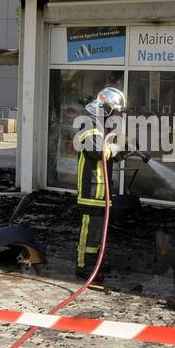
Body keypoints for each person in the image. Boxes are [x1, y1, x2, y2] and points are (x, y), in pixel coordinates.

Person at [74, 86, 127, 282]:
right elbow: (96, 152)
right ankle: (83, 266)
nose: (115, 115)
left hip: (101, 190)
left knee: (97, 231)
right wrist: (115, 148)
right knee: (89, 231)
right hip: (91, 189)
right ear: (105, 107)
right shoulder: (89, 124)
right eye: (113, 110)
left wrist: (120, 152)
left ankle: (95, 263)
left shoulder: (100, 125)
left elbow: (105, 154)